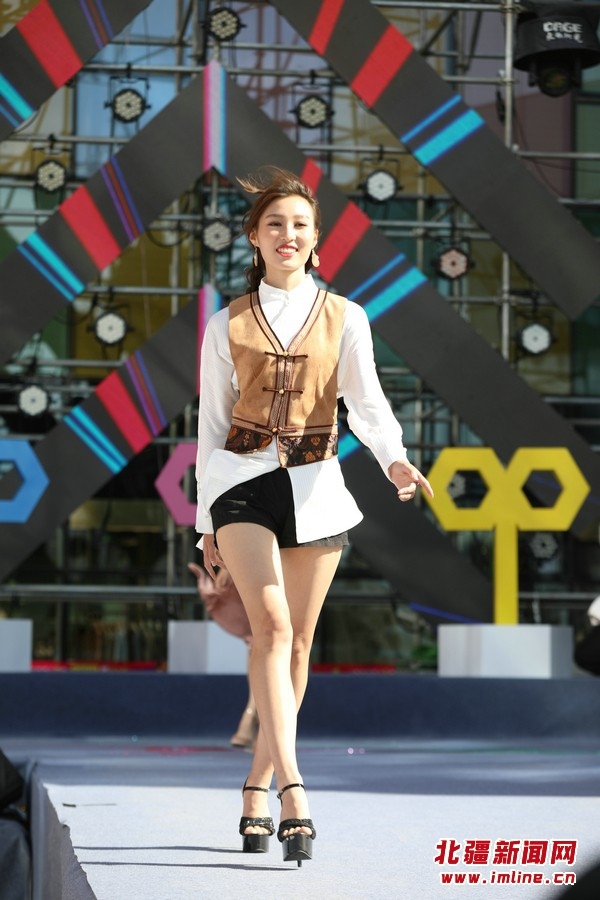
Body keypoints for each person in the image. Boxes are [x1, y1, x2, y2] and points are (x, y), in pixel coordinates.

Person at [195, 166, 433, 865]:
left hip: (318, 488)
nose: (288, 234)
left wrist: (394, 459)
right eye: (275, 223)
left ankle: (255, 785)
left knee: (297, 646)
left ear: (315, 239)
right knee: (270, 628)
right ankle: (295, 790)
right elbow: (210, 424)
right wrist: (205, 520)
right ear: (254, 236)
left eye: (299, 224)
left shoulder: (347, 316)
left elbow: (368, 403)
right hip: (241, 485)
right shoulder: (224, 323)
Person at [187, 561, 259, 749]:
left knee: (267, 643)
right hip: (259, 562)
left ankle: (254, 719)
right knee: (262, 642)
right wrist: (227, 564)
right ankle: (254, 719)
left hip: (279, 560)